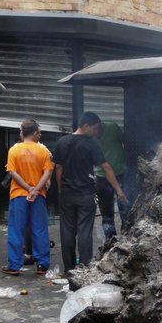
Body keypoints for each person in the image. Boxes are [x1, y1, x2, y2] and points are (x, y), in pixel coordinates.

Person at [53, 111, 127, 273]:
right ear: (85, 126)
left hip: (66, 194)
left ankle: (69, 268)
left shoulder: (62, 142)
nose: (96, 132)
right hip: (85, 194)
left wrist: (60, 189)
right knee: (84, 230)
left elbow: (58, 167)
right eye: (94, 129)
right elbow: (105, 167)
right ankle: (85, 268)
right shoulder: (91, 143)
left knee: (67, 231)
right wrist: (118, 189)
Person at [3, 119, 53, 276]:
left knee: (16, 230)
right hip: (38, 196)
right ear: (34, 133)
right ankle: (42, 265)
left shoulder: (14, 150)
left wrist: (27, 188)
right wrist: (36, 189)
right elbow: (48, 172)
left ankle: (14, 266)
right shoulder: (43, 151)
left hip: (18, 194)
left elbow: (12, 172)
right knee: (39, 229)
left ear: (22, 132)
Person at [95, 120, 128, 241]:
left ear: (99, 125)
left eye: (96, 130)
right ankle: (111, 241)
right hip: (102, 177)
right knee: (106, 213)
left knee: (125, 208)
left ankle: (127, 236)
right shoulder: (90, 136)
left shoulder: (113, 128)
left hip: (120, 174)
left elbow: (126, 142)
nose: (95, 133)